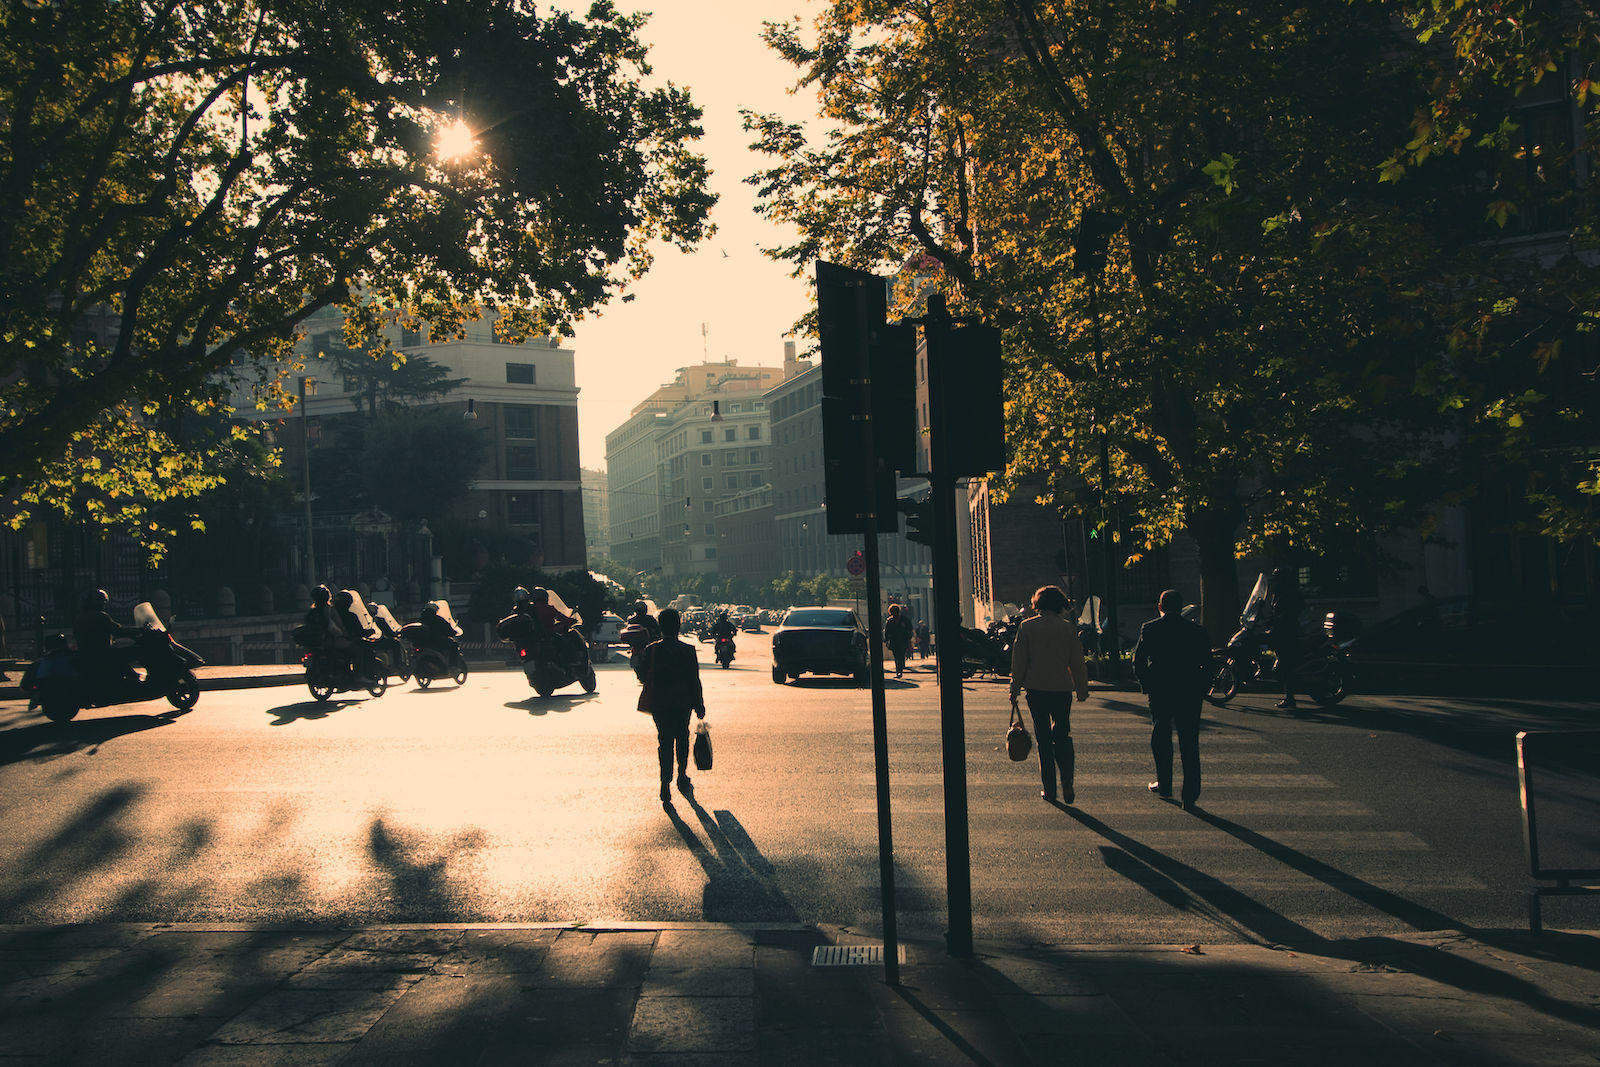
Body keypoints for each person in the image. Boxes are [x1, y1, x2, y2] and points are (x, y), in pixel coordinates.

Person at [1008, 585, 1091, 804]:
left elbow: (1019, 661)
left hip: (1036, 689)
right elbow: (1077, 663)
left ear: (1037, 604)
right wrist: (1081, 688)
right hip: (1062, 688)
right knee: (1062, 734)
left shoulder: (1027, 627)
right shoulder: (1067, 628)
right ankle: (1067, 780)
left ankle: (1050, 788)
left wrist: (1015, 688)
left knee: (1043, 740)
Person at [1133, 589, 1213, 811]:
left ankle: (1165, 784)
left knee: (1161, 735)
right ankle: (1190, 795)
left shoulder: (1150, 628)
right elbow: (1208, 665)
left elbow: (1139, 661)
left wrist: (1147, 685)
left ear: (1160, 607)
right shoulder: (1197, 630)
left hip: (1160, 689)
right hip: (1189, 689)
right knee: (1189, 741)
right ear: (1181, 607)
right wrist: (1201, 688)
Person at [634, 608, 706, 804]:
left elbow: (641, 675)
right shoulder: (688, 650)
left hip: (660, 703)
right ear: (679, 625)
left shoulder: (652, 649)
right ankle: (682, 775)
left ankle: (665, 784)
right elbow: (694, 680)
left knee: (664, 742)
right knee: (682, 738)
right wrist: (699, 705)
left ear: (660, 626)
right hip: (683, 702)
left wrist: (636, 658)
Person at [72, 588, 139, 682]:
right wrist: (139, 630)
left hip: (85, 655)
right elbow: (118, 631)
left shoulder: (79, 618)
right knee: (134, 655)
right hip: (103, 654)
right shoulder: (101, 616)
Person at [1266, 568, 1306, 710]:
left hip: (1288, 633)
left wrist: (1280, 619)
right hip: (1281, 631)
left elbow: (1291, 612)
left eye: (1277, 578)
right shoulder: (1280, 594)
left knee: (1285, 664)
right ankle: (1289, 695)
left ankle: (1290, 697)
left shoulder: (1290, 594)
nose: (1275, 581)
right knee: (1284, 662)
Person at [883, 603, 914, 678]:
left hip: (902, 641)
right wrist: (887, 639)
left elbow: (910, 629)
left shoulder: (904, 620)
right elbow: (887, 631)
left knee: (900, 656)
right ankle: (899, 671)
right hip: (894, 641)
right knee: (897, 656)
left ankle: (899, 670)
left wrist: (908, 636)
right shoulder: (890, 621)